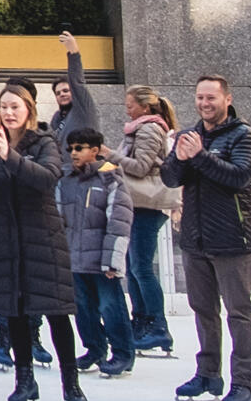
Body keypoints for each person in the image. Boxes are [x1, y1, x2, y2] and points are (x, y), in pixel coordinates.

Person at [0, 83, 85, 401]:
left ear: (29, 110)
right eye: (4, 107)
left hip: (41, 233)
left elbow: (47, 178)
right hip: (5, 233)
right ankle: (24, 380)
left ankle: (70, 382)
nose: (9, 113)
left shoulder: (44, 141)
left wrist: (9, 155)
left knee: (56, 310)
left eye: (15, 106)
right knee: (14, 307)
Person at [59, 33, 177, 357]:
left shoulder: (151, 129)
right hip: (138, 204)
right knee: (135, 265)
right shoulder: (138, 129)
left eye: (129, 105)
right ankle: (144, 321)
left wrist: (110, 155)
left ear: (144, 105)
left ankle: (156, 325)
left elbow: (140, 166)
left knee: (140, 266)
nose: (126, 110)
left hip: (146, 204)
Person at [168, 74, 251, 401]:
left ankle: (244, 383)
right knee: (203, 310)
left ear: (227, 99)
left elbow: (237, 177)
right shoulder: (189, 136)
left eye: (212, 98)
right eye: (200, 98)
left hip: (233, 239)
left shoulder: (244, 135)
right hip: (196, 239)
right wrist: (180, 157)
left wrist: (199, 157)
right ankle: (208, 374)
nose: (205, 104)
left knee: (239, 313)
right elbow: (169, 178)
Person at [59, 127, 135, 376]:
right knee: (83, 308)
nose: (73, 153)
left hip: (102, 261)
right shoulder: (65, 180)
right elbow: (59, 219)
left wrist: (113, 260)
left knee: (111, 306)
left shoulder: (111, 179)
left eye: (79, 148)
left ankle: (123, 354)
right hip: (75, 258)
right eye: (70, 148)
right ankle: (94, 348)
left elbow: (119, 222)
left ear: (95, 150)